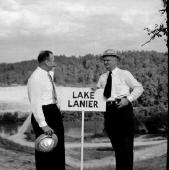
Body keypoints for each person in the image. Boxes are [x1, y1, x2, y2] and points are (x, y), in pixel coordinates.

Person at [96, 49, 144, 170]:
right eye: (104, 60)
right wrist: (94, 91)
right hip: (109, 111)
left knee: (126, 146)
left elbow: (139, 88)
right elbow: (98, 94)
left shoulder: (125, 74)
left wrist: (128, 99)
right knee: (117, 146)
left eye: (108, 60)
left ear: (116, 60)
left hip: (123, 109)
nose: (105, 62)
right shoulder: (102, 77)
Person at [27, 50, 65, 170]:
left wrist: (57, 108)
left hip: (53, 111)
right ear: (46, 62)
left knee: (58, 149)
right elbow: (35, 103)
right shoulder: (36, 77)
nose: (55, 62)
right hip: (44, 114)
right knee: (46, 149)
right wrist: (43, 125)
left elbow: (50, 91)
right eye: (52, 59)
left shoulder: (48, 74)